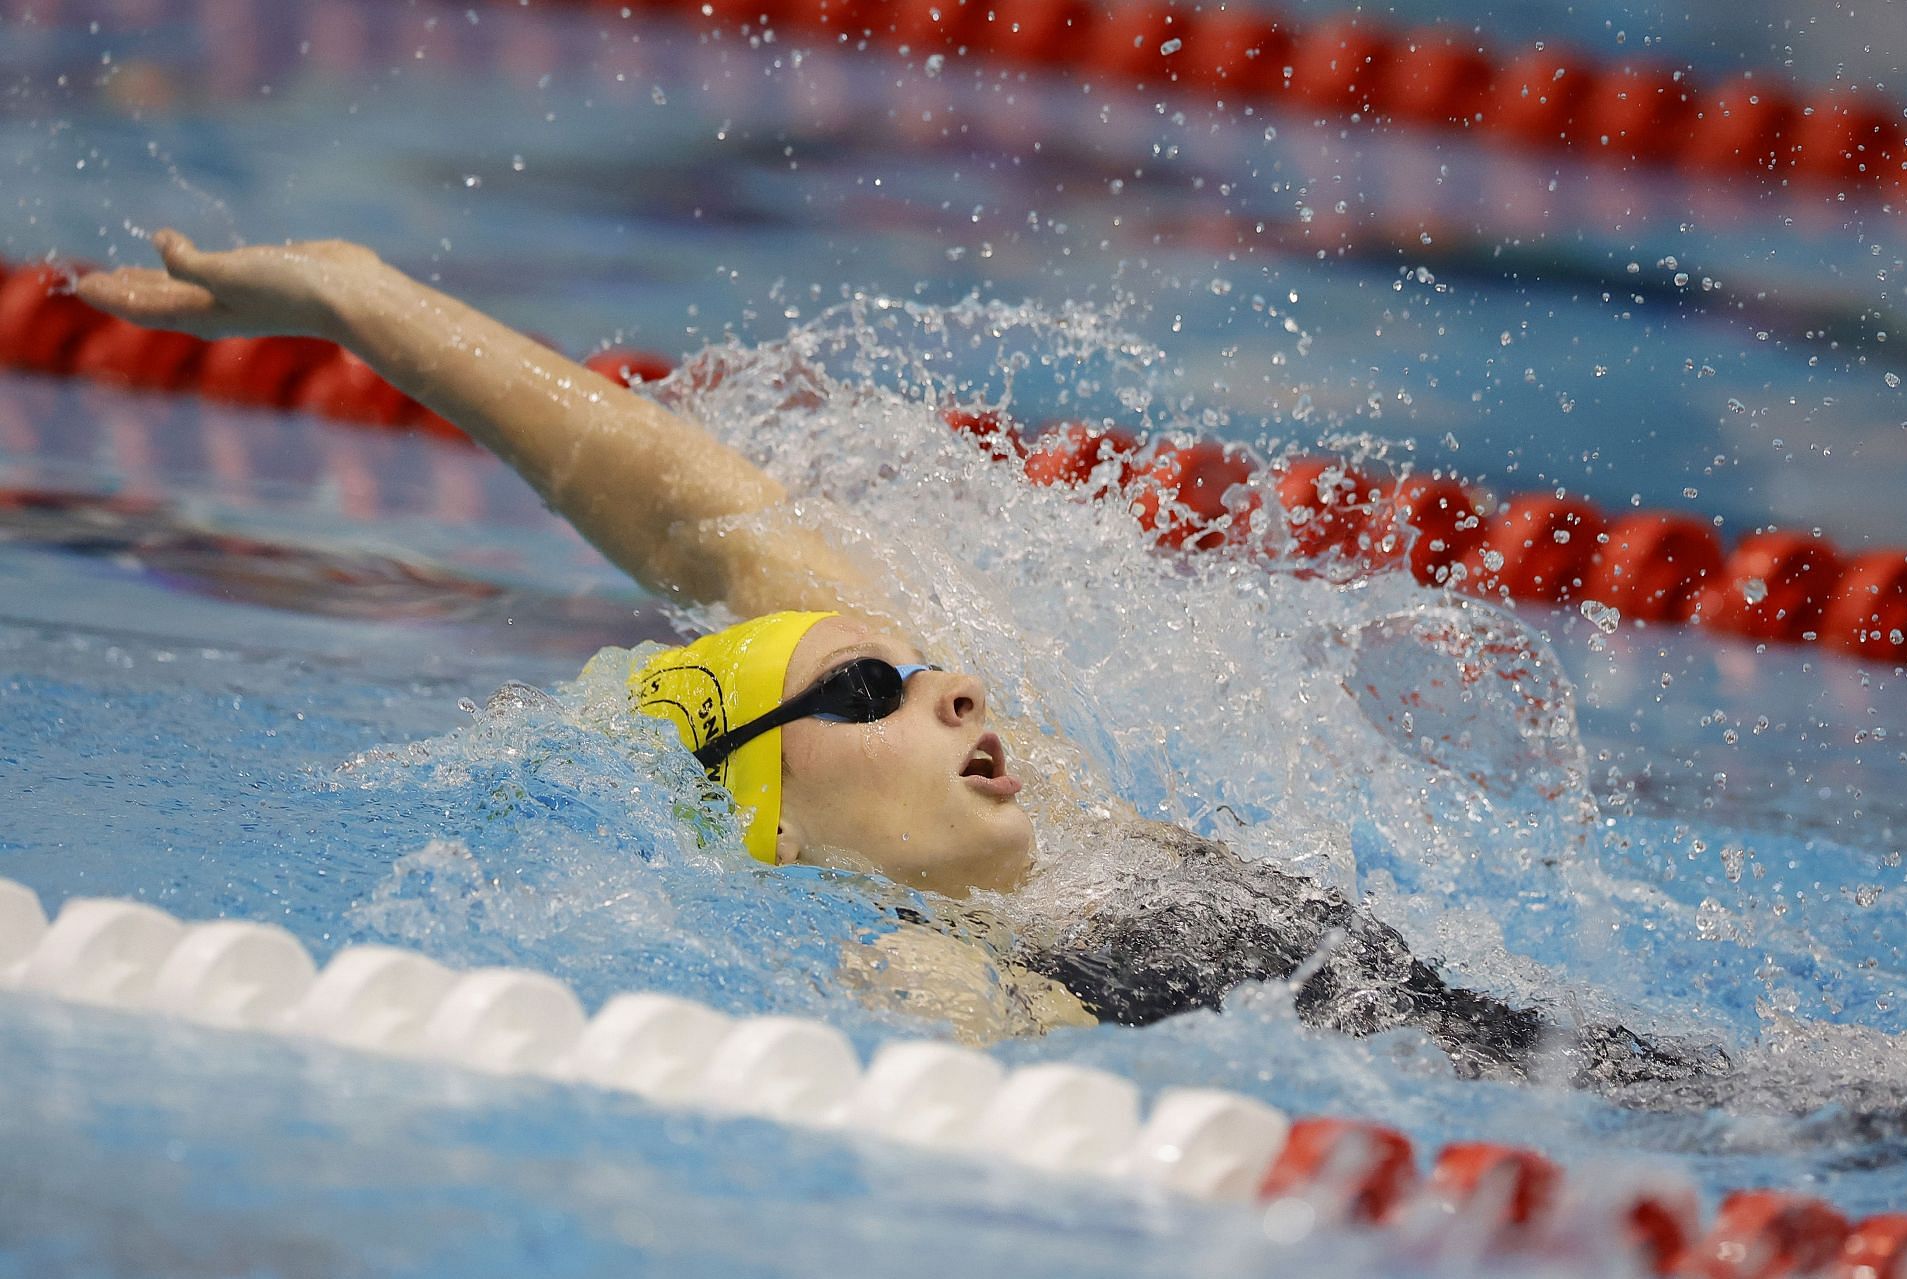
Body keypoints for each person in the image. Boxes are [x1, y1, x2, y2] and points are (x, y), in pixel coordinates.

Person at [77, 231, 1721, 1086]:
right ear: (769, 808)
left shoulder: (1069, 831)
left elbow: (709, 517)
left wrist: (361, 304)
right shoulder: (933, 967)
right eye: (868, 691)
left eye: (929, 669)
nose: (951, 685)